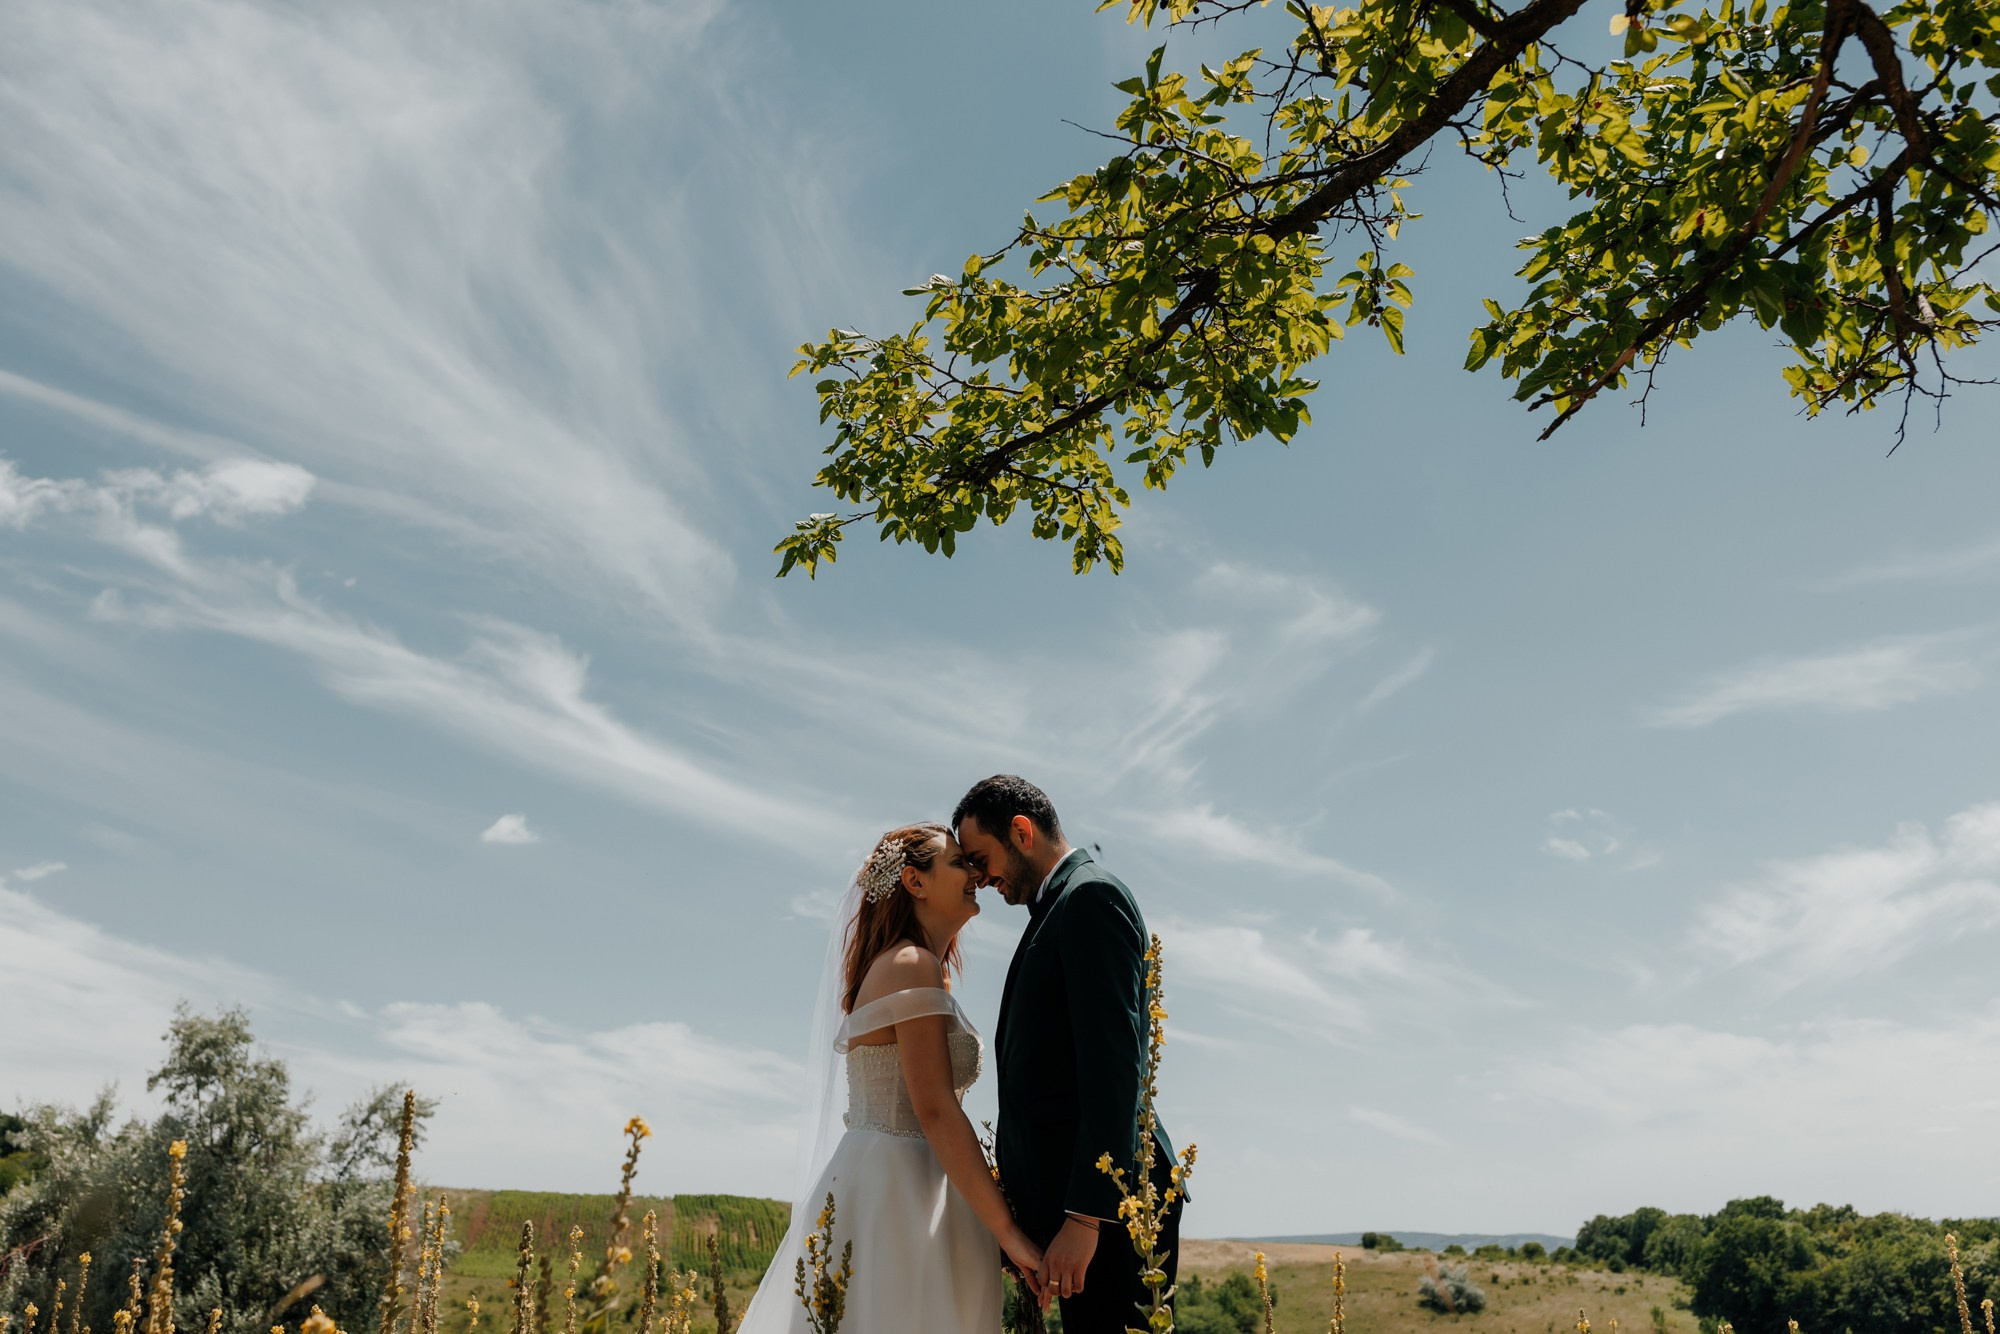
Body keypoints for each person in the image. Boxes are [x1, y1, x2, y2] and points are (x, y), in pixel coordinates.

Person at [737, 822, 1046, 1333]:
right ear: (914, 881)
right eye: (958, 863)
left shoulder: (917, 967)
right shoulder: (910, 964)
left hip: (902, 1181)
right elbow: (935, 1109)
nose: (975, 874)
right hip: (900, 1194)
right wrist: (1008, 1232)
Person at [954, 775, 1183, 1334]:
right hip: (1080, 1211)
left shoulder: (1089, 899)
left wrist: (1085, 1216)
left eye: (981, 860)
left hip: (1114, 1211)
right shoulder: (1058, 907)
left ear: (1021, 831)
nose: (979, 879)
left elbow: (1113, 1067)